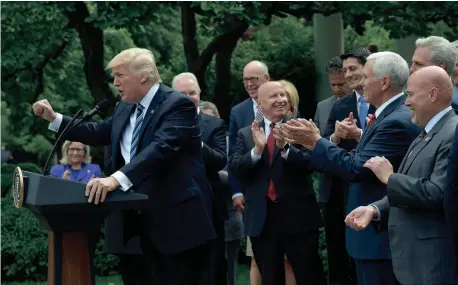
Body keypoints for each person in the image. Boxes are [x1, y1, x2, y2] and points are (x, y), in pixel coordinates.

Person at [32, 48, 216, 285]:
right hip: (137, 224)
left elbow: (160, 149)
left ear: (143, 76)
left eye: (120, 75)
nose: (115, 82)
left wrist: (115, 179)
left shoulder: (177, 105)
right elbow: (97, 132)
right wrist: (54, 118)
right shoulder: (125, 106)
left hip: (176, 223)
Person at [280, 52, 420, 285]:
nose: (360, 82)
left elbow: (357, 168)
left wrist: (316, 141)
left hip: (380, 235)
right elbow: (357, 158)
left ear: (384, 82)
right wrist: (315, 143)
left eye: (365, 76)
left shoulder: (395, 120)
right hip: (373, 233)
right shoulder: (387, 115)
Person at [346, 66, 458, 285]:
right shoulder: (427, 131)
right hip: (414, 261)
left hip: (433, 262)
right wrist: (375, 209)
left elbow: (437, 193)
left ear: (433, 95)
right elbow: (413, 183)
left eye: (410, 94)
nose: (406, 102)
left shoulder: (452, 133)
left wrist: (390, 178)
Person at [229, 81, 325, 285]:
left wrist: (286, 149)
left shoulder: (301, 128)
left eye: (283, 95)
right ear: (260, 104)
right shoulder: (247, 133)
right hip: (262, 221)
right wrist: (256, 151)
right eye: (274, 96)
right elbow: (236, 169)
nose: (281, 100)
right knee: (270, 278)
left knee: (310, 275)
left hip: (299, 217)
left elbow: (313, 163)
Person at [172, 72, 228, 285]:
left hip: (208, 207)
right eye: (182, 93)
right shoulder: (161, 123)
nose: (188, 97)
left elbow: (220, 159)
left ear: (199, 93)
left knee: (211, 270)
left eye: (192, 92)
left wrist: (197, 142)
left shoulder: (213, 124)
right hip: (172, 208)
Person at [315, 55, 360, 285]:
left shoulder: (364, 102)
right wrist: (335, 136)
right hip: (331, 188)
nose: (337, 89)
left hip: (358, 185)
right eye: (332, 85)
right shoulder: (324, 106)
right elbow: (319, 143)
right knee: (336, 256)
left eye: (340, 84)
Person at [227, 60, 270, 285]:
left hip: (278, 191)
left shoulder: (283, 103)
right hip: (252, 193)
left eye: (254, 78)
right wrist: (236, 192)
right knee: (257, 257)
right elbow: (233, 156)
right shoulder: (239, 111)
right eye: (245, 79)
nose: (250, 84)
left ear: (267, 79)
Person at [410, 36, 458, 113]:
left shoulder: (453, 109)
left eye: (419, 64)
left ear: (440, 68)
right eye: (413, 63)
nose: (411, 70)